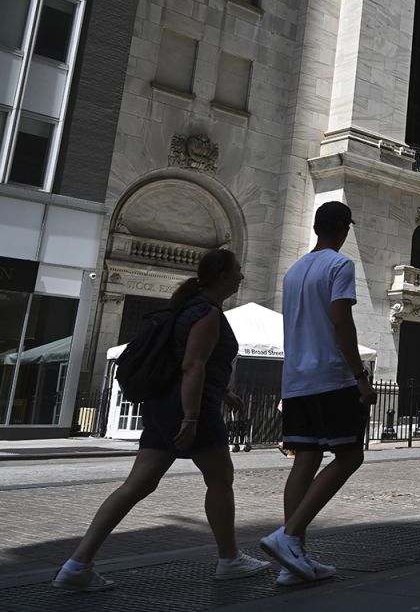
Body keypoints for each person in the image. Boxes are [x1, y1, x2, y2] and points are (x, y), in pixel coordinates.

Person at [54, 250, 270, 591]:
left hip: (161, 405)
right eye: (238, 271)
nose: (241, 277)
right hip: (189, 406)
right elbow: (192, 365)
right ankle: (230, 559)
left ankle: (77, 564)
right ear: (222, 276)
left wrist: (223, 392)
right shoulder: (207, 312)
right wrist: (192, 417)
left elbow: (186, 360)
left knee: (137, 484)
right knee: (220, 478)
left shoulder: (186, 307)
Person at [260, 202, 375, 585]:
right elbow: (341, 320)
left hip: (296, 379)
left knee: (305, 460)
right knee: (349, 455)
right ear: (343, 230)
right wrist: (360, 375)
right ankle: (289, 536)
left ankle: (293, 559)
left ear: (315, 226)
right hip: (330, 377)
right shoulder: (339, 266)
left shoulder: (293, 272)